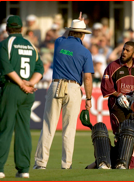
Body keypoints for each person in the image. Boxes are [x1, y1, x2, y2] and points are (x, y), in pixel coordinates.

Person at [33, 12, 94, 170]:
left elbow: (66, 35)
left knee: (48, 126)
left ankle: (40, 163)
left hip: (56, 85)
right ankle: (66, 165)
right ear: (83, 35)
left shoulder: (60, 42)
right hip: (74, 88)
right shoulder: (85, 52)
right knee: (69, 129)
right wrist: (88, 98)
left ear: (71, 31)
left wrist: (76, 24)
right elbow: (87, 78)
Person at [0, 15, 44, 179]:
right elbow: (40, 68)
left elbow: (7, 68)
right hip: (28, 93)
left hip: (12, 89)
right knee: (24, 131)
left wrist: (21, 84)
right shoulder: (31, 45)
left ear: (7, 29)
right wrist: (30, 84)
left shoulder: (5, 44)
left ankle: (0, 168)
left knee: (5, 129)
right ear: (22, 28)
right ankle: (24, 169)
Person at [100, 41, 134, 169]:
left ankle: (127, 161)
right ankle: (121, 162)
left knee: (131, 135)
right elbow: (105, 86)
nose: (123, 52)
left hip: (131, 106)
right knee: (120, 135)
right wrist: (119, 95)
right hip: (116, 105)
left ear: (133, 54)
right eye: (123, 49)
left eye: (127, 50)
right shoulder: (113, 66)